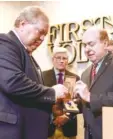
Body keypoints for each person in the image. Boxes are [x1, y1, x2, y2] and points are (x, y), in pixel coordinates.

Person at [0, 6, 68, 139]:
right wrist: (52, 93)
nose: (42, 38)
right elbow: (14, 82)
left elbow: (29, 97)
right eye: (40, 31)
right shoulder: (5, 43)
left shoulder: (26, 53)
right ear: (23, 24)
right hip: (15, 131)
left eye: (45, 35)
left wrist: (51, 108)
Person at [74, 26, 113, 139]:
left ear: (105, 43)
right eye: (84, 45)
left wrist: (90, 97)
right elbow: (88, 105)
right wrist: (75, 103)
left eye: (91, 44)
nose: (87, 49)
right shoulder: (85, 73)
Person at [42, 47, 80, 139]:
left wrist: (67, 116)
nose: (61, 61)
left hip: (68, 127)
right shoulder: (42, 76)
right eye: (58, 58)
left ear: (67, 61)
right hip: (48, 127)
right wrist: (53, 118)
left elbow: (79, 101)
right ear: (53, 60)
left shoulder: (75, 78)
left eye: (64, 58)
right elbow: (39, 99)